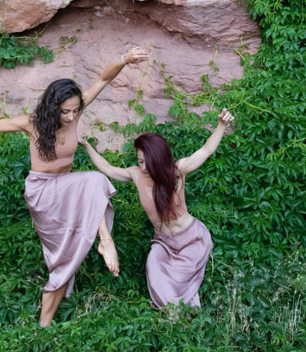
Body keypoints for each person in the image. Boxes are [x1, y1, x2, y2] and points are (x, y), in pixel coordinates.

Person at [0, 46, 149, 326]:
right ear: (52, 108)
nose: (72, 117)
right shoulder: (32, 124)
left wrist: (123, 60)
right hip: (43, 194)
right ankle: (101, 246)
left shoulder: (76, 111)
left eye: (74, 111)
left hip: (69, 190)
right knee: (88, 197)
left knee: (72, 243)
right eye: (65, 112)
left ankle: (44, 323)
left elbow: (103, 80)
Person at [79, 109, 234, 309]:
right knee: (153, 265)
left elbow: (206, 150)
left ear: (157, 158)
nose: (142, 166)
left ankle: (185, 317)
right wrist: (87, 146)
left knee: (180, 280)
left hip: (191, 241)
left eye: (146, 162)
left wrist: (221, 125)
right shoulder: (136, 174)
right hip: (164, 242)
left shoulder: (177, 172)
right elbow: (108, 169)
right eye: (139, 161)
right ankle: (172, 315)